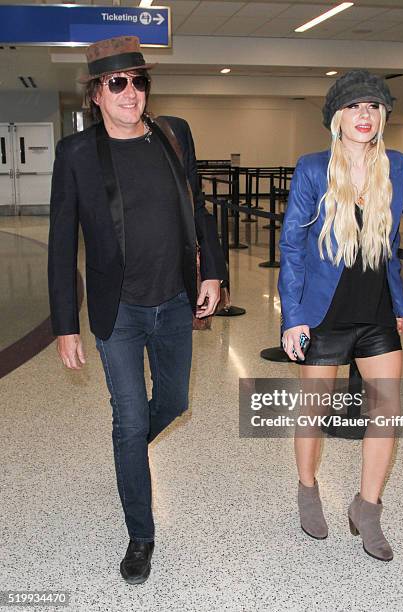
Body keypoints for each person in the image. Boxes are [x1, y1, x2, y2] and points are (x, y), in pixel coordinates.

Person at [48, 36, 227, 584]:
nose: (131, 92)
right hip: (117, 311)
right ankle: (141, 535)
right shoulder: (76, 155)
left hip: (174, 301)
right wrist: (64, 325)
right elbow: (61, 244)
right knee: (129, 421)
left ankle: (127, 454)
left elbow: (197, 207)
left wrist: (215, 271)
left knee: (171, 402)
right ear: (96, 95)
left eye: (139, 80)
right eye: (117, 83)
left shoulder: (174, 136)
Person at [278, 70, 403, 562]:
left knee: (385, 414)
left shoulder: (395, 165)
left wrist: (400, 303)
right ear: (337, 117)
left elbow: (390, 244)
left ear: (382, 117)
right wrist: (293, 316)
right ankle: (308, 489)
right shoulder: (314, 168)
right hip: (325, 313)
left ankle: (368, 507)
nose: (364, 115)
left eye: (373, 107)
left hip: (374, 310)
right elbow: (292, 245)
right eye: (355, 106)